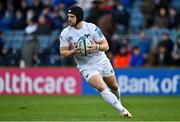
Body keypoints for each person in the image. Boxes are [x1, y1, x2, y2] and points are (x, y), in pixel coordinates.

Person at [59, 6, 132, 118]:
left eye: (72, 17)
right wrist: (73, 51)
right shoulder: (65, 33)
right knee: (102, 87)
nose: (69, 19)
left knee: (114, 86)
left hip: (101, 60)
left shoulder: (91, 28)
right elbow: (63, 53)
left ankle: (119, 104)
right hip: (86, 66)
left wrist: (96, 47)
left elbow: (106, 46)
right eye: (68, 16)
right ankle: (122, 110)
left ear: (78, 17)